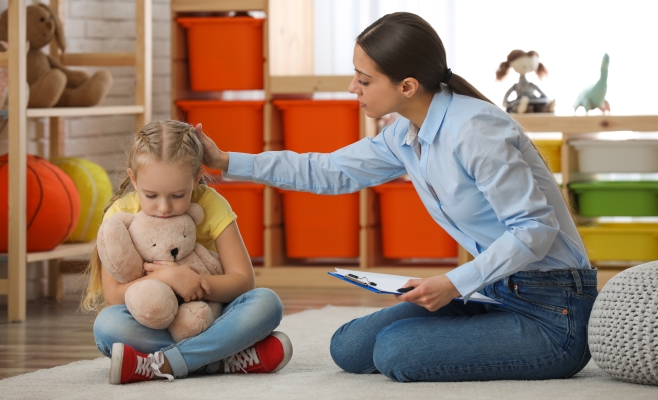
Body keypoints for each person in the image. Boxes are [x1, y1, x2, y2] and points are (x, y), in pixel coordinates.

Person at [197, 12, 596, 382]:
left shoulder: (474, 131)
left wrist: (454, 283)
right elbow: (327, 170)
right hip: (495, 291)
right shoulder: (404, 134)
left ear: (407, 86)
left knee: (394, 351)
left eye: (364, 79)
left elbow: (534, 229)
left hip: (555, 310)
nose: (353, 87)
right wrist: (226, 160)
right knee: (349, 347)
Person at [82, 120, 292, 385]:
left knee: (267, 303)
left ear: (195, 180)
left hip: (212, 314)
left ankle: (164, 363)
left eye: (178, 195)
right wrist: (168, 278)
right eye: (151, 195)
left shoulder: (212, 204)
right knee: (107, 326)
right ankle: (220, 359)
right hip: (153, 321)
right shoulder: (120, 215)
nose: (164, 207)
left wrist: (196, 283)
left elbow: (243, 281)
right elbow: (114, 295)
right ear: (134, 180)